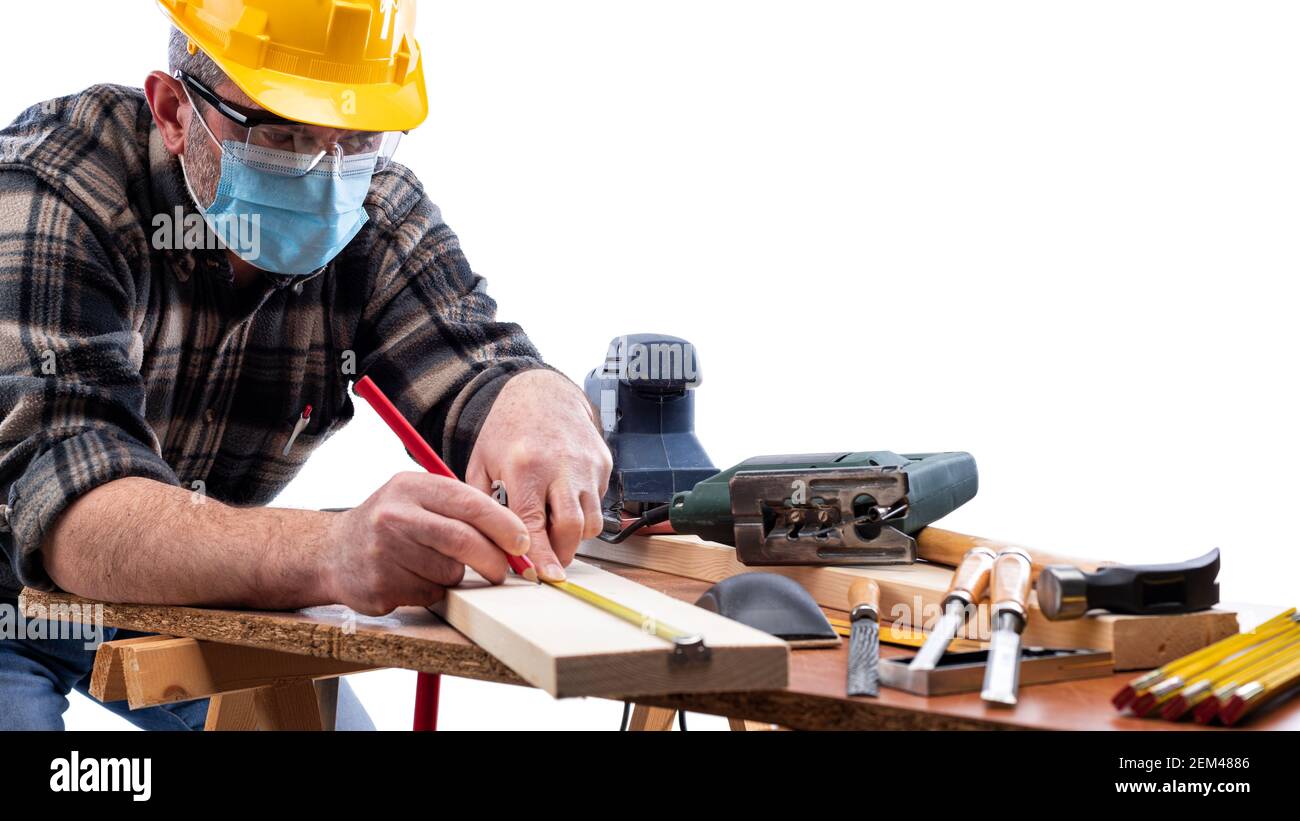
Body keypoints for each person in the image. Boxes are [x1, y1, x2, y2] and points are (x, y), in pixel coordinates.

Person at [0, 0, 610, 730]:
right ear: (172, 111)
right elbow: (76, 518)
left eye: (355, 138)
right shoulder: (57, 185)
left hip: (177, 583)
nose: (326, 177)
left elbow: (479, 361)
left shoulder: (374, 214)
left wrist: (536, 403)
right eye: (282, 134)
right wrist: (331, 552)